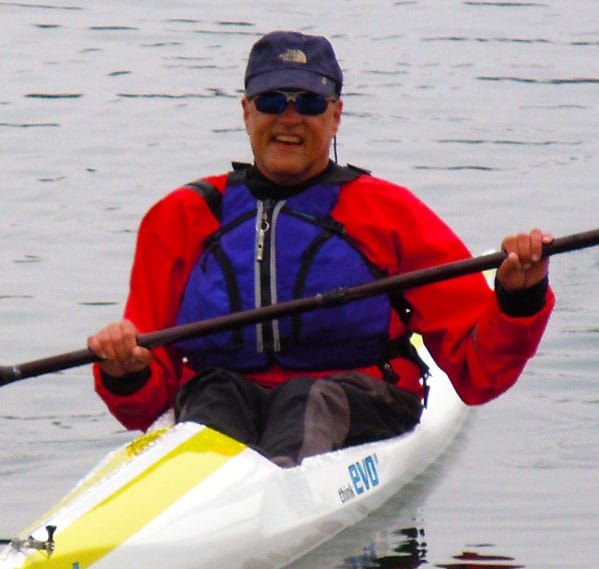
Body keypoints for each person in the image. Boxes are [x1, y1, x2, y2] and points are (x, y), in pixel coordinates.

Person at [87, 30, 553, 466]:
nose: (289, 117)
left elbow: (479, 371)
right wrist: (125, 371)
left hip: (361, 397)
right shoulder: (181, 217)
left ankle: (266, 505)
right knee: (215, 398)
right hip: (222, 399)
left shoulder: (390, 213)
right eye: (272, 101)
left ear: (335, 115)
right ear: (247, 112)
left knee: (305, 401)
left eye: (308, 103)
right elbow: (143, 404)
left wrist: (519, 298)